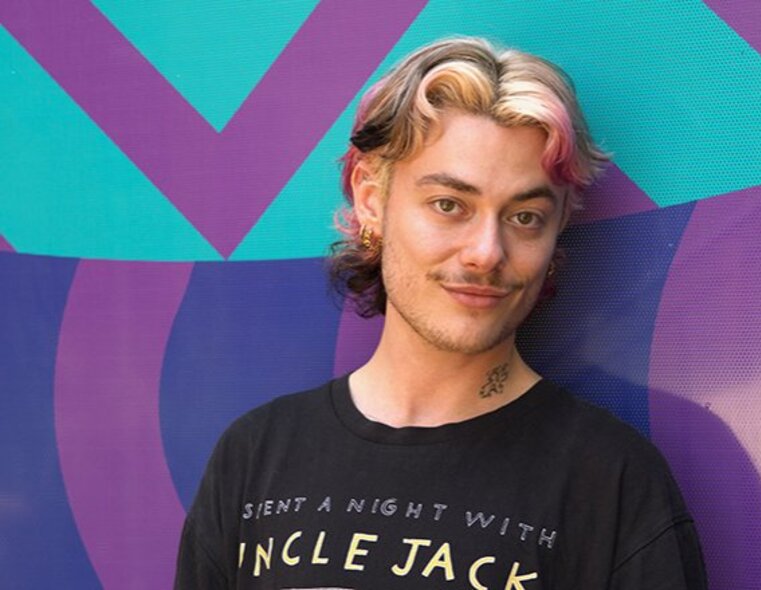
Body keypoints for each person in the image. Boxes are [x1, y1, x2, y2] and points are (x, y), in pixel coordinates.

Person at [175, 36, 707, 589]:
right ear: (370, 197)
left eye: (525, 216)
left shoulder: (612, 483)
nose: (487, 252)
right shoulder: (257, 457)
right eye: (450, 205)